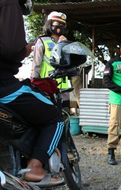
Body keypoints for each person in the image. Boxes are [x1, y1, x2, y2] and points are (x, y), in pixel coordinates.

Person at [0, 0, 63, 185]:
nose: (58, 27)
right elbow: (11, 48)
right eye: (56, 24)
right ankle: (35, 167)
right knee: (55, 118)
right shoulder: (9, 3)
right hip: (5, 83)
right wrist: (24, 49)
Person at [31, 11, 71, 108]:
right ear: (50, 24)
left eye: (63, 24)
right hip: (46, 85)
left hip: (63, 87)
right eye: (57, 23)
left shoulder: (66, 42)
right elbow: (36, 64)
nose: (60, 26)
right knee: (47, 113)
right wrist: (33, 83)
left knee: (64, 114)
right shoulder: (42, 41)